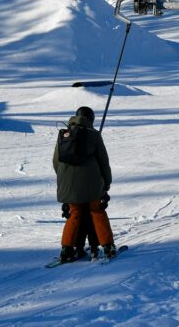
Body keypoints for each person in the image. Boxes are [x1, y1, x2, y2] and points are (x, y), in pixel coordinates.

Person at [53, 106, 117, 262]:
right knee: (97, 211)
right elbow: (103, 162)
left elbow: (56, 161)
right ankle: (108, 246)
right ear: (91, 120)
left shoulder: (64, 135)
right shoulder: (94, 135)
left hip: (67, 184)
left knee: (74, 214)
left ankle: (67, 249)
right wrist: (106, 183)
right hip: (92, 184)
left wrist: (65, 180)